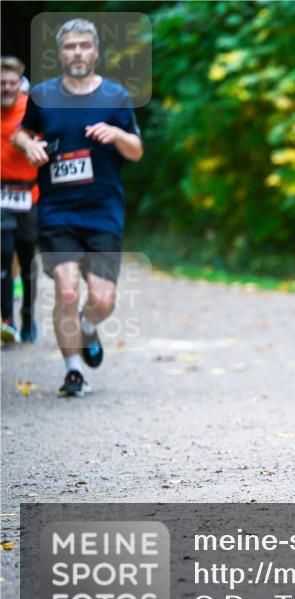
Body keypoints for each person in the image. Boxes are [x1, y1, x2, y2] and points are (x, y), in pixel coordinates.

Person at [12, 18, 143, 396]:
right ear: (60, 52)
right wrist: (27, 145)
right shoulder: (42, 95)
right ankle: (73, 372)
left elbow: (136, 151)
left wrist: (118, 134)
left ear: (96, 51)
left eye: (85, 45)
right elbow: (21, 131)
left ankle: (88, 325)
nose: (78, 53)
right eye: (70, 46)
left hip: (103, 213)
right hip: (57, 212)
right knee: (67, 292)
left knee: (102, 299)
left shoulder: (116, 97)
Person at [1, 56, 38, 344]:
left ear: (19, 84)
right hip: (1, 193)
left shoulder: (32, 108)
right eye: (2, 83)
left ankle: (27, 315)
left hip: (29, 193)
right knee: (3, 254)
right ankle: (7, 320)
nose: (7, 88)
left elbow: (51, 140)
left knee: (26, 258)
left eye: (12, 83)